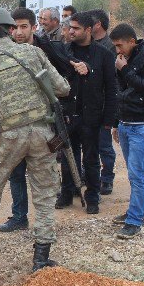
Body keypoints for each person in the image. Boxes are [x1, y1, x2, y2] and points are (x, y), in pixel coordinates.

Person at [0, 7, 70, 272]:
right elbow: (63, 88)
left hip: (8, 136)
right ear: (11, 29)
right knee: (45, 193)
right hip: (43, 134)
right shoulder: (34, 53)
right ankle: (41, 257)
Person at [55, 12, 117, 215]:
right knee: (67, 157)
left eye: (76, 28)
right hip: (67, 115)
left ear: (88, 30)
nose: (71, 31)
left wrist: (109, 120)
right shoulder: (64, 51)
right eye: (70, 27)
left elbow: (110, 89)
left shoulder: (104, 55)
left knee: (91, 159)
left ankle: (92, 196)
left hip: (92, 117)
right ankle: (67, 193)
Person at [109, 23, 144, 239]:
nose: (117, 50)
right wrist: (115, 122)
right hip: (125, 122)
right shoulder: (124, 59)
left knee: (137, 173)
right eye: (115, 46)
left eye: (120, 45)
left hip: (142, 124)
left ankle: (135, 220)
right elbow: (119, 92)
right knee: (134, 173)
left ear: (132, 41)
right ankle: (137, 210)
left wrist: (125, 70)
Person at [88, 9, 117, 195]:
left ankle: (107, 178)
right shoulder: (87, 44)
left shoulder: (110, 47)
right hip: (89, 104)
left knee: (105, 146)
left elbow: (114, 82)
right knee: (89, 146)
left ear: (98, 25)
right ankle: (90, 176)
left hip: (104, 104)